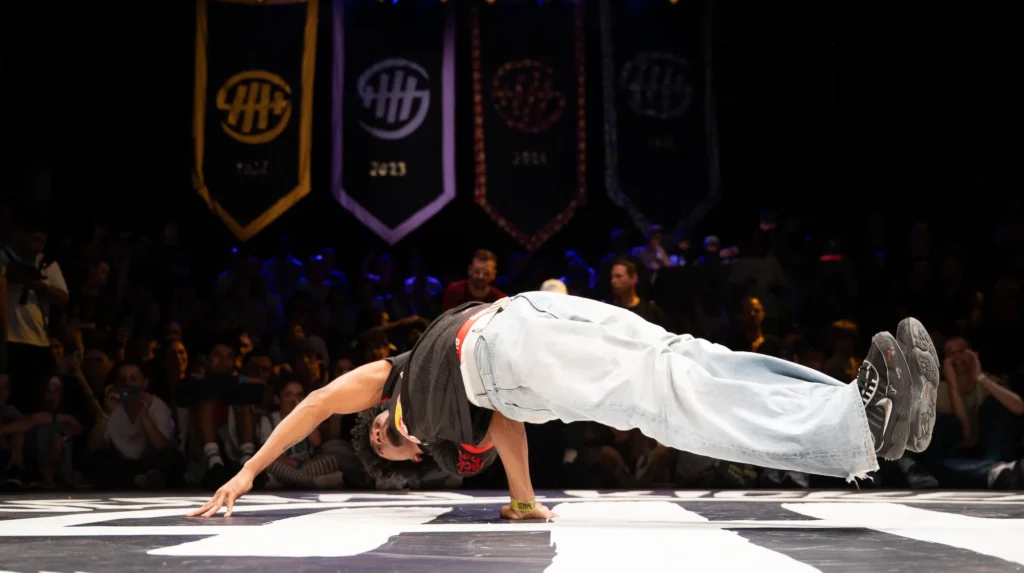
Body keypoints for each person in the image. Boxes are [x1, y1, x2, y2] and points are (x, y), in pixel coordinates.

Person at [188, 292, 939, 520]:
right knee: (665, 390)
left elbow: (320, 401)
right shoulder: (443, 438)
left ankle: (864, 409)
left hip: (522, 322)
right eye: (388, 448)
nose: (388, 439)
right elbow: (508, 427)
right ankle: (856, 430)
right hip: (511, 359)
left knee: (681, 355)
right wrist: (520, 501)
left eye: (381, 436)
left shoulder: (391, 380)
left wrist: (251, 468)